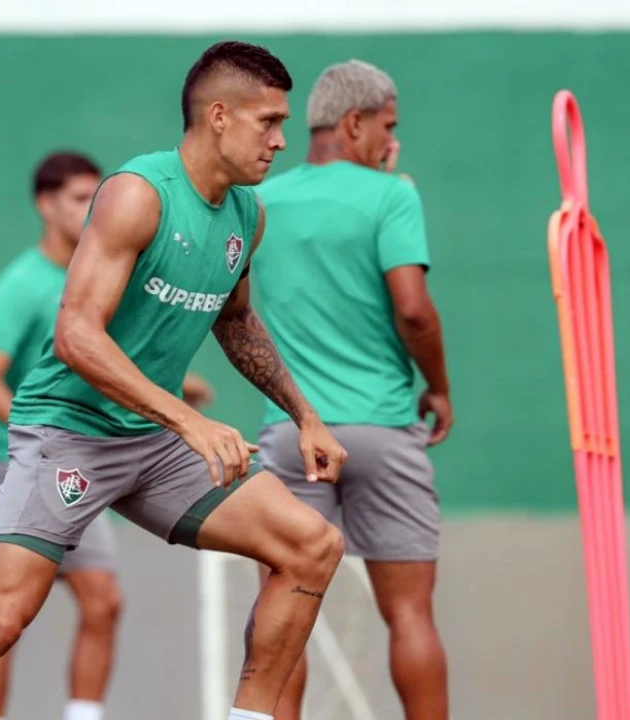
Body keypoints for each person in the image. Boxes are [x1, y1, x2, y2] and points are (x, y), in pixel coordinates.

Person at [0, 40, 350, 720]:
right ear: (220, 117)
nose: (281, 141)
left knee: (312, 546)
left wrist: (304, 415)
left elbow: (237, 323)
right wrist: (190, 419)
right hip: (69, 433)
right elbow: (76, 333)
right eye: (269, 122)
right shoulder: (137, 196)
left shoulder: (245, 216)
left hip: (155, 442)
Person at [0, 151, 215, 720]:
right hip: (20, 463)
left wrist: (174, 393)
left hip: (89, 458)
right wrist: (37, 446)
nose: (90, 209)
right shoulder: (21, 285)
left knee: (103, 600)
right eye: (79, 198)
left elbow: (109, 359)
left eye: (94, 197)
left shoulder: (108, 267)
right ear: (44, 204)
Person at [250, 59, 453, 720]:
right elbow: (415, 310)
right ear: (356, 123)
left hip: (291, 435)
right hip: (383, 427)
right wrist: (440, 387)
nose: (393, 141)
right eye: (388, 126)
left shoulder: (261, 202)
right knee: (410, 615)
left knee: (284, 617)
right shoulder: (393, 196)